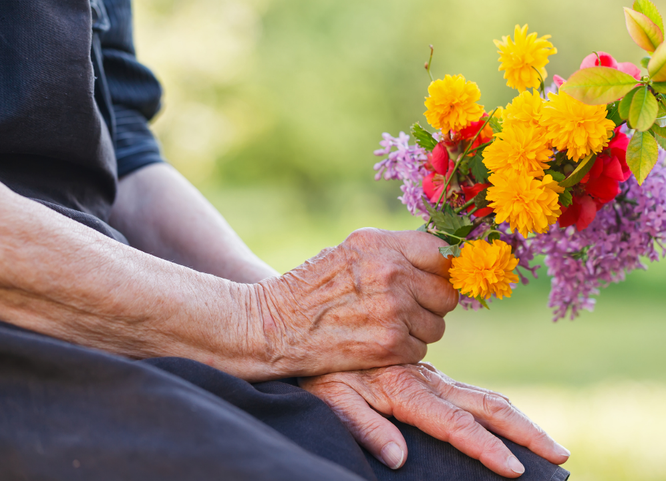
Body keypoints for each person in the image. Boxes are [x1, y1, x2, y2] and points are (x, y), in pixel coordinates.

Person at [0, 1, 571, 480]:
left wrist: (314, 332)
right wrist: (262, 324)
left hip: (123, 313)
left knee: (487, 470)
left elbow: (121, 145)